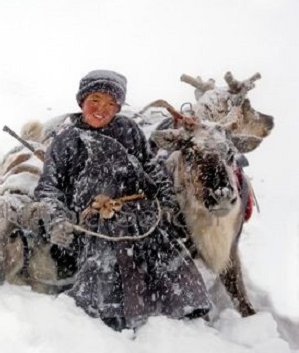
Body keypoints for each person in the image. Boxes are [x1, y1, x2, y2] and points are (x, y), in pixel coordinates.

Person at [33, 69, 210, 331]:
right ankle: (113, 315)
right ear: (82, 101)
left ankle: (178, 308)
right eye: (95, 100)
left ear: (118, 107)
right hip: (92, 222)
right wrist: (58, 220)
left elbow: (152, 169)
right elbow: (48, 188)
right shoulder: (65, 141)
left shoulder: (129, 130)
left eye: (110, 104)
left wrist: (167, 202)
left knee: (160, 244)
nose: (101, 109)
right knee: (109, 253)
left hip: (140, 214)